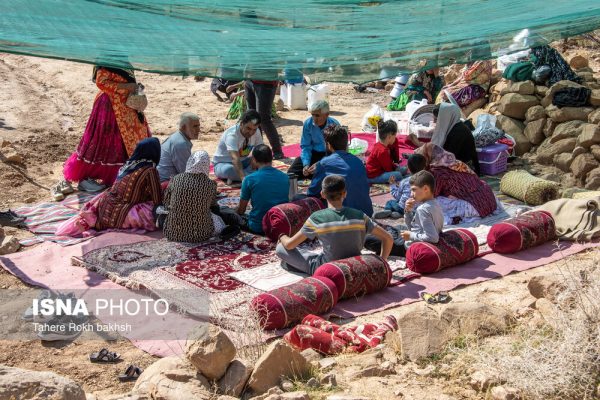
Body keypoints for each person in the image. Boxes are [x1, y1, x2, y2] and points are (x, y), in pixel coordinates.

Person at [57, 66, 150, 201]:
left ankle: (126, 174)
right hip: (109, 106)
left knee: (129, 139)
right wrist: (127, 87)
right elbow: (102, 83)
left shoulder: (123, 57)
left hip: (126, 105)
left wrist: (133, 88)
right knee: (104, 141)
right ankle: (87, 178)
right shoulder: (106, 59)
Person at [276, 175, 393, 275]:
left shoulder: (317, 218)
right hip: (354, 265)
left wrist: (282, 237)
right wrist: (382, 262)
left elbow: (290, 245)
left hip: (328, 269)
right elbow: (388, 238)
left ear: (322, 194)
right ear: (345, 193)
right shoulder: (360, 216)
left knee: (281, 248)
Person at [56, 138, 162, 236]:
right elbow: (158, 199)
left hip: (104, 206)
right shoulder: (149, 170)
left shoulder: (128, 165)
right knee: (154, 213)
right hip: (119, 213)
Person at [307, 125, 373, 217]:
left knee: (303, 200)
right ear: (346, 142)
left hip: (345, 218)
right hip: (366, 214)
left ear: (329, 145)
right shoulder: (358, 161)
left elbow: (312, 192)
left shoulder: (325, 163)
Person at [417, 143, 496, 218]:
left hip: (477, 207)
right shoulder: (455, 161)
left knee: (430, 201)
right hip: (490, 200)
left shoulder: (437, 171)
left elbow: (432, 194)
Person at [162, 151, 226, 242]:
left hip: (173, 233)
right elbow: (212, 206)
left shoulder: (176, 179)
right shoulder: (210, 184)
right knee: (219, 221)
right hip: (202, 235)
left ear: (190, 162)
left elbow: (166, 202)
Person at [408, 103, 480, 175]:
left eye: (436, 119)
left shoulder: (459, 132)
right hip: (453, 162)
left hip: (465, 169)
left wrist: (420, 145)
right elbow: (437, 146)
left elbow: (446, 157)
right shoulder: (451, 127)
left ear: (446, 118)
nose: (434, 122)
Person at [237, 144, 290, 234]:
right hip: (280, 224)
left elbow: (241, 210)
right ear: (271, 158)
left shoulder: (249, 179)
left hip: (258, 226)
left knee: (227, 214)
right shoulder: (285, 177)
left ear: (254, 159)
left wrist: (235, 211)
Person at [287, 100, 339, 179]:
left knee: (329, 175)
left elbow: (336, 151)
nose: (314, 118)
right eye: (312, 115)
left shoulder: (334, 125)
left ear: (326, 115)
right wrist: (306, 164)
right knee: (292, 174)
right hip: (313, 153)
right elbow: (306, 146)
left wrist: (321, 163)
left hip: (329, 154)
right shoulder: (308, 123)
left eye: (317, 115)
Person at [213, 110, 263, 183]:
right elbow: (235, 158)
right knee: (229, 170)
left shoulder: (256, 131)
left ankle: (241, 176)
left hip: (243, 162)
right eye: (248, 128)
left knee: (261, 160)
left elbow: (260, 149)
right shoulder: (232, 135)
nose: (251, 132)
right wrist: (243, 179)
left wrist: (255, 157)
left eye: (254, 129)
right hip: (223, 164)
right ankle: (252, 177)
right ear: (242, 124)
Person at [400, 171, 444, 246]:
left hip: (416, 245)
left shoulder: (422, 209)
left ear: (426, 188)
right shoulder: (435, 203)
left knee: (383, 236)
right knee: (398, 228)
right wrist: (407, 211)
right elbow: (414, 227)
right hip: (421, 237)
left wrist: (410, 235)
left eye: (414, 190)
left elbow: (433, 237)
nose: (411, 194)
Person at [244, 80, 283, 159]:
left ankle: (277, 151)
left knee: (263, 119)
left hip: (266, 82)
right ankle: (259, 150)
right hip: (249, 79)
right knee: (252, 118)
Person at [157, 113, 200, 183]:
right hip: (166, 184)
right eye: (195, 126)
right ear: (183, 127)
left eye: (198, 126)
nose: (198, 130)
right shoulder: (180, 144)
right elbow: (187, 173)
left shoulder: (178, 138)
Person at [381, 153, 427, 218]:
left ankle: (389, 211)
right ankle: (399, 214)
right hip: (418, 210)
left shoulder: (405, 181)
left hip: (403, 208)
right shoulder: (427, 181)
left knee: (390, 202)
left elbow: (397, 196)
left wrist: (392, 185)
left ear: (408, 168)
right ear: (424, 167)